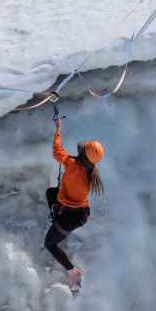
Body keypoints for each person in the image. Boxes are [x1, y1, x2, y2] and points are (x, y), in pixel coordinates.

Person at [44, 118, 105, 290]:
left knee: (50, 244)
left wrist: (58, 129)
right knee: (51, 193)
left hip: (68, 219)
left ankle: (73, 271)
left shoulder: (72, 165)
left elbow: (57, 152)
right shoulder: (90, 172)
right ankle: (55, 218)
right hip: (80, 213)